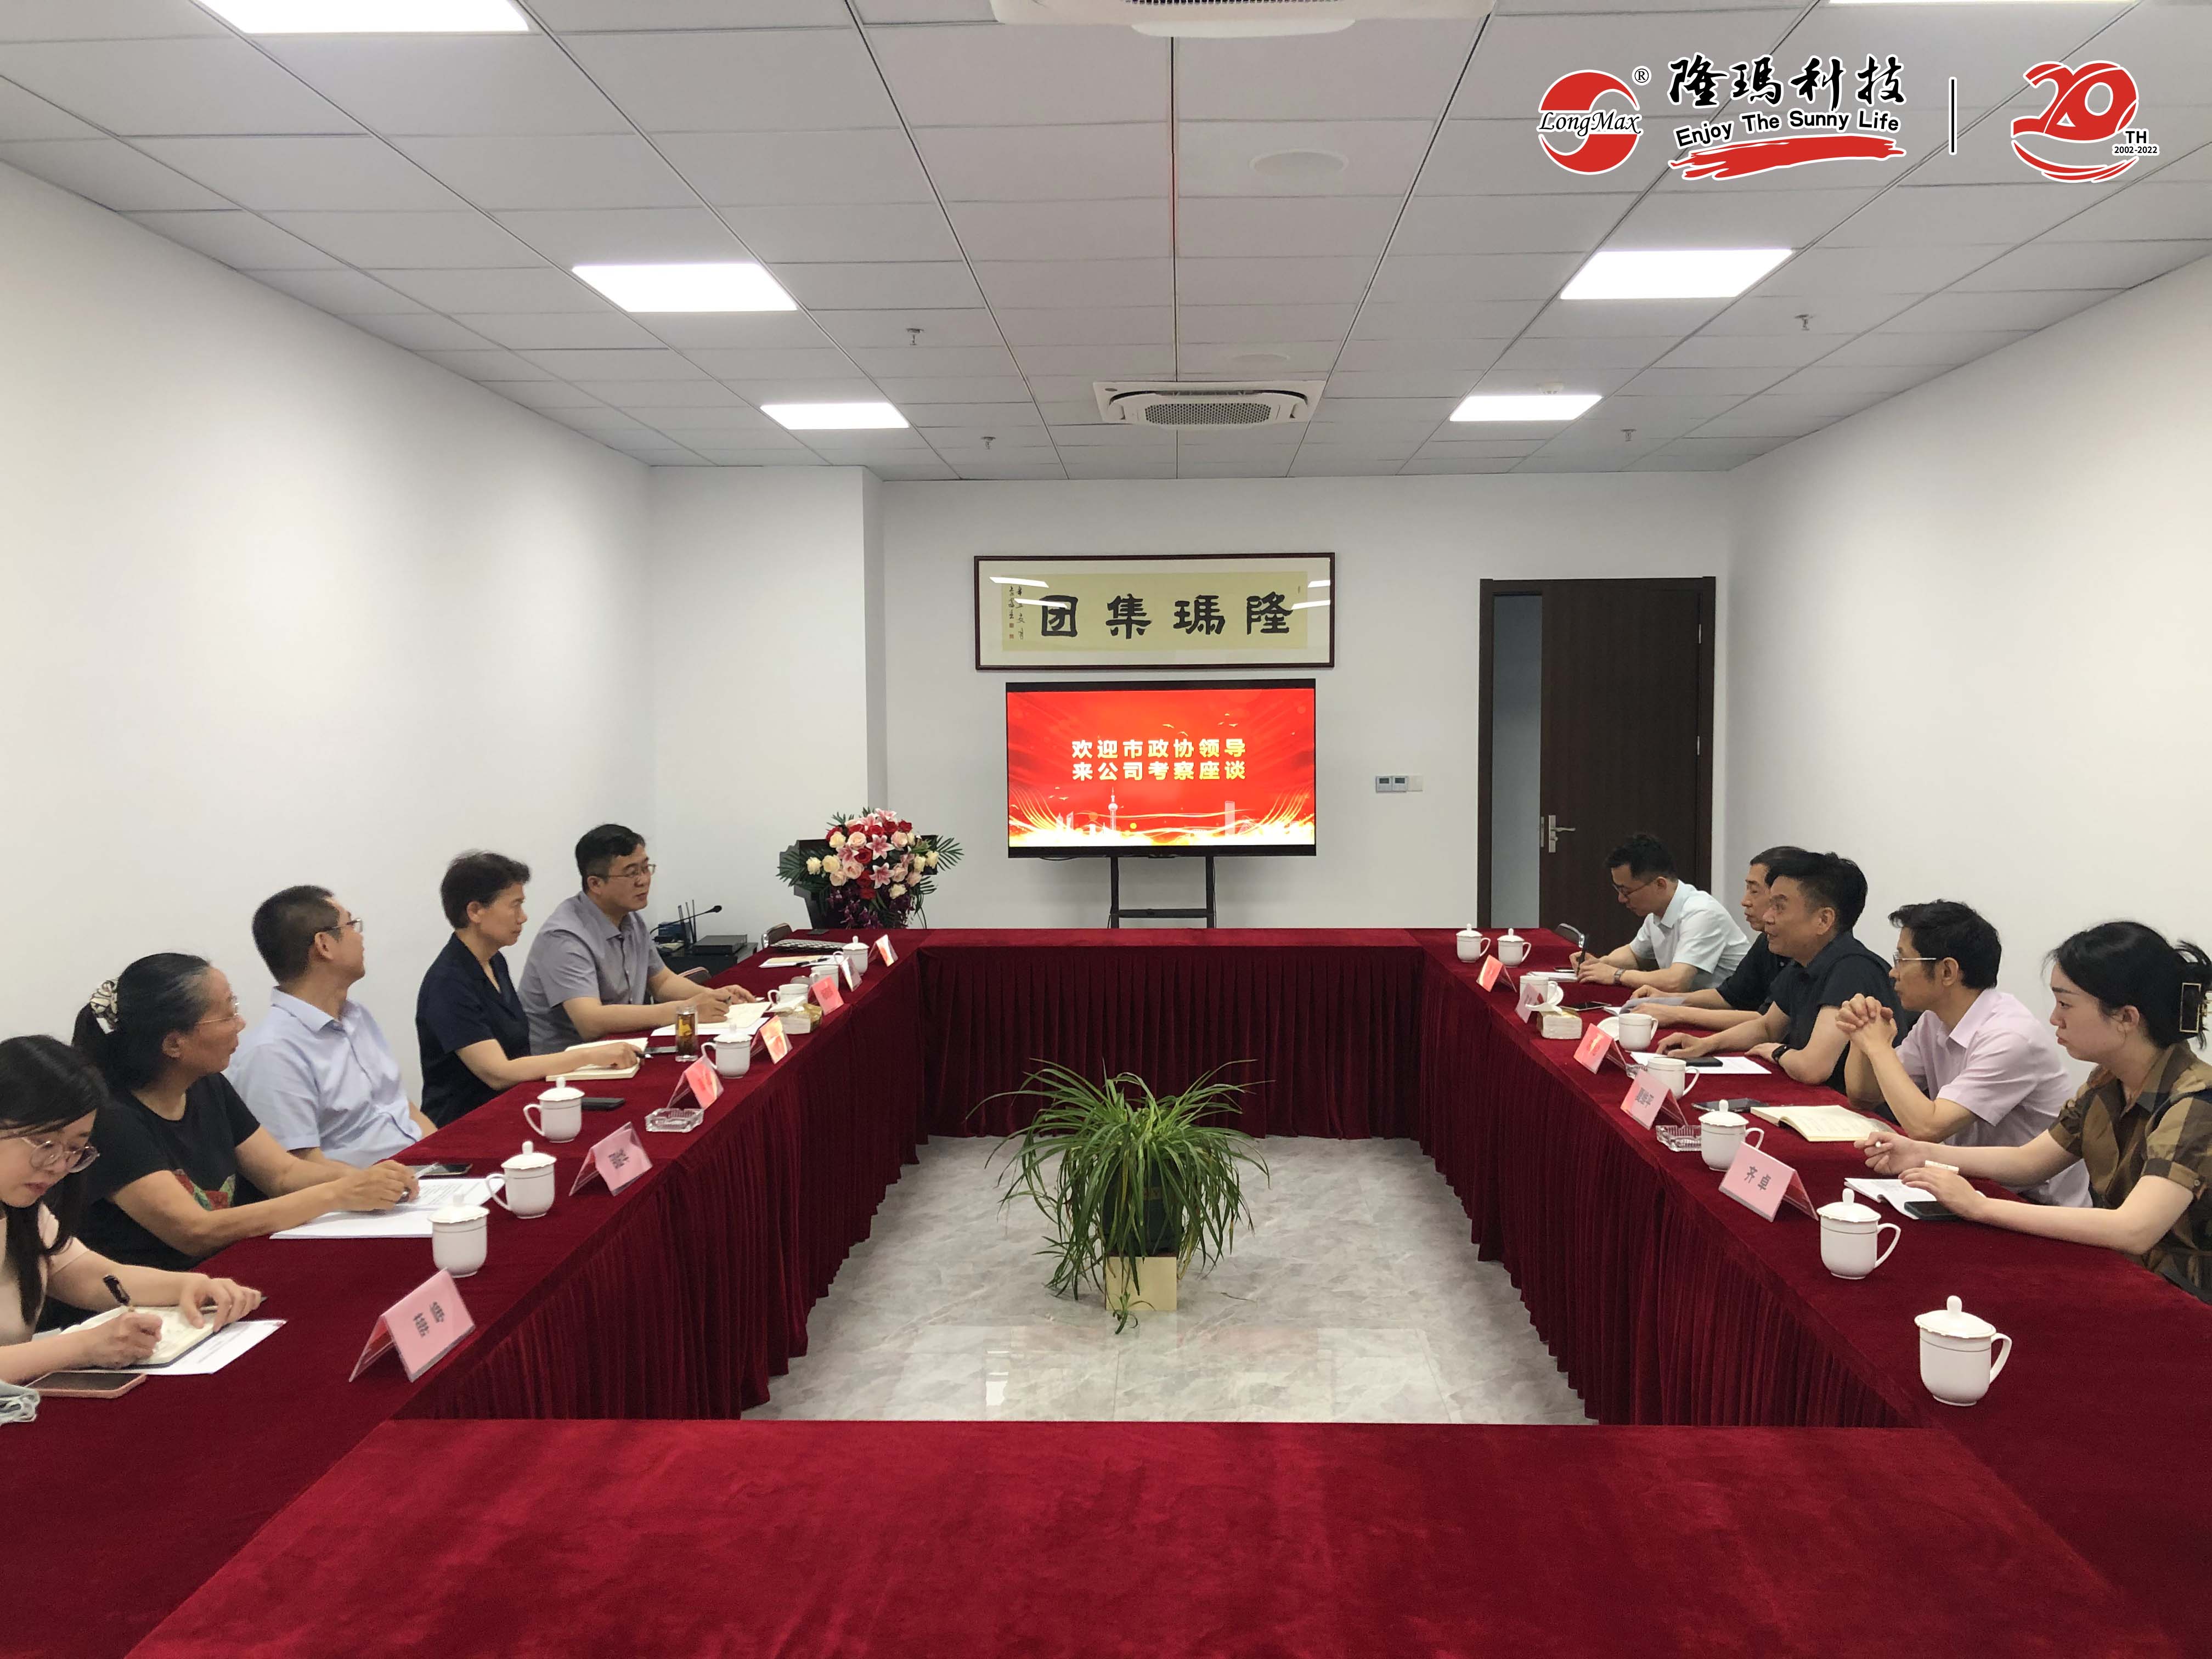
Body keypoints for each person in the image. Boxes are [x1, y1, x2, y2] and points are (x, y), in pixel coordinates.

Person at [1865, 922, 2212, 1305]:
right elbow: (2029, 1162)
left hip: (2185, 1299)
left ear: (2127, 1018)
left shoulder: (2196, 1102)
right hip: (2120, 1271)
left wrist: (1980, 1206)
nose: (2054, 1019)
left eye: (2066, 1004)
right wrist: (1922, 1153)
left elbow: (2134, 1229)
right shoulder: (2108, 1081)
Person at [75, 955, 416, 1272]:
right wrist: (338, 1194)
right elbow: (195, 1231)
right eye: (227, 1014)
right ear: (174, 1044)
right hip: (156, 1296)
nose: (241, 1023)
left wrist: (365, 1180)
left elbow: (282, 1174)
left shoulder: (207, 1085)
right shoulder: (111, 1122)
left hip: (229, 1273)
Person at [0, 1035, 262, 1385]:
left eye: (76, 1149)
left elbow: (90, 1275)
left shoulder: (23, 1210)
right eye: (45, 1144)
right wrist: (82, 1347)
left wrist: (189, 1285)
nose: (59, 1165)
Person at [1838, 901, 2086, 1206]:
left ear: (1947, 971)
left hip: (2034, 1204)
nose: (1893, 972)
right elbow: (1863, 1097)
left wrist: (1879, 1047)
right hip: (1967, 1184)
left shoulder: (2011, 1036)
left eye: (1903, 959)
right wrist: (1861, 1034)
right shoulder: (1934, 1020)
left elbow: (1926, 1127)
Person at [417, 851, 635, 1127]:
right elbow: (499, 1073)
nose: (523, 917)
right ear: (475, 911)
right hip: (467, 1124)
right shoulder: (448, 983)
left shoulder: (495, 962)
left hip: (515, 1106)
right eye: (515, 906)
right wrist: (588, 1055)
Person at [1656, 849, 1896, 1090]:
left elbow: (1813, 1068)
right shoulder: (1802, 962)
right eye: (1770, 905)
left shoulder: (1852, 969)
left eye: (1779, 907)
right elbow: (1767, 1027)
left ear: (1823, 920)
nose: (1768, 917)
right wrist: (1707, 1044)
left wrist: (1778, 1052)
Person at [228, 886, 431, 1168]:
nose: (360, 937)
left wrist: (447, 1157)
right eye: (351, 925)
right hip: (367, 1190)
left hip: (424, 1172)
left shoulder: (357, 1016)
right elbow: (300, 1168)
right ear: (324, 945)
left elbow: (399, 1106)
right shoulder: (273, 1052)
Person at [519, 824, 753, 1054]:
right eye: (632, 873)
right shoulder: (564, 936)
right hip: (567, 1065)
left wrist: (712, 996)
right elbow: (590, 1022)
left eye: (645, 868)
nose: (644, 880)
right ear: (596, 884)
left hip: (624, 1050)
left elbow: (662, 982)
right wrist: (686, 1009)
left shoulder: (630, 918)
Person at [1630, 845, 1804, 1033]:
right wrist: (1667, 999)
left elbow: (1767, 1021)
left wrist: (1676, 1013)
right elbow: (1728, 996)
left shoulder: (1807, 953)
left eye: (1754, 891)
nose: (1744, 901)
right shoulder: (1767, 941)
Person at [1570, 833, 1748, 994]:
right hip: (1693, 1006)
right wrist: (1601, 964)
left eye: (1627, 891)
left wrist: (1616, 975)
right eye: (1618, 890)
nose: (1621, 899)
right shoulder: (1656, 914)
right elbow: (1634, 955)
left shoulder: (1702, 913)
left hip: (1734, 1011)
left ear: (1660, 884)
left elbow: (1676, 982)